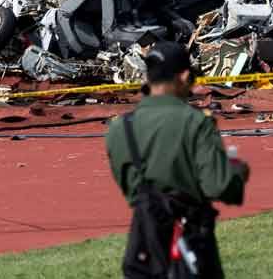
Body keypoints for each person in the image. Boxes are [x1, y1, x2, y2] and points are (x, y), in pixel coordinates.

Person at [106, 41, 250, 278]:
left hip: (144, 244)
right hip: (191, 239)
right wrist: (236, 172)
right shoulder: (195, 122)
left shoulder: (120, 128)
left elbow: (129, 186)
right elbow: (219, 186)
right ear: (183, 77)